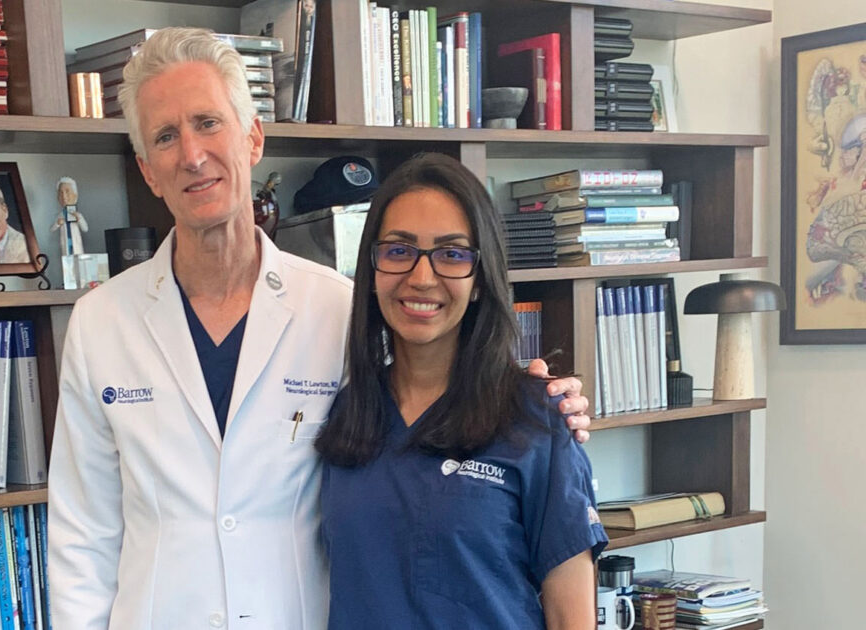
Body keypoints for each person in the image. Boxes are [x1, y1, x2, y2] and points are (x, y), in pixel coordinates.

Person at [47, 27, 590, 630]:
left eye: (207, 123)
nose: (191, 155)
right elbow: (83, 534)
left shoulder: (335, 306)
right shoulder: (100, 323)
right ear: (147, 170)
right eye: (165, 137)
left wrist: (538, 401)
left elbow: (436, 365)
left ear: (253, 137)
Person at [317, 153, 606, 629]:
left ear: (478, 279)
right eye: (398, 250)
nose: (422, 277)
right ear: (372, 271)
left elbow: (570, 616)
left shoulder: (536, 419)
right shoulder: (347, 415)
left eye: (452, 254)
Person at [51, 176, 89, 256]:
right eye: (61, 193)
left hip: (76, 243)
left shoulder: (77, 215)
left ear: (75, 195)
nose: (64, 196)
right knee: (67, 261)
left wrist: (79, 219)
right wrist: (57, 223)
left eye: (67, 192)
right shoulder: (60, 215)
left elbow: (85, 228)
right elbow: (52, 229)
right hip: (65, 243)